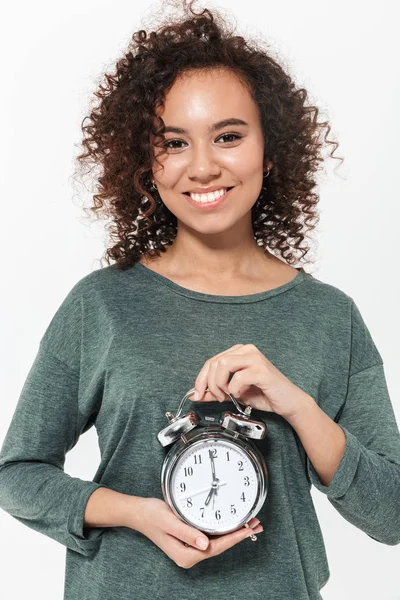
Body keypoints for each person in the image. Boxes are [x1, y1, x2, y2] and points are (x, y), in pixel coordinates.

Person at [1, 1, 399, 599]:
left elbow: (391, 512)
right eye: (174, 142)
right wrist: (135, 512)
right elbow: (18, 474)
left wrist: (295, 404)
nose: (204, 167)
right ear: (145, 162)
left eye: (229, 136)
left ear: (271, 149)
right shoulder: (102, 305)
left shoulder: (330, 318)